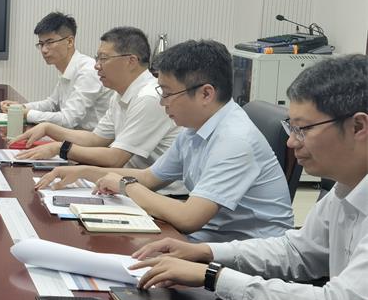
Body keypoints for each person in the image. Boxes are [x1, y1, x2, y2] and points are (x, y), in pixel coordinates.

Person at [131, 54, 367, 300]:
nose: (291, 142)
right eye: (290, 128)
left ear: (358, 127)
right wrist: (207, 254)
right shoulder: (346, 187)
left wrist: (213, 276)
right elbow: (297, 253)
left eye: (303, 129)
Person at [37, 40, 294, 242]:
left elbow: (189, 218)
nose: (162, 102)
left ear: (206, 94)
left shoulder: (234, 140)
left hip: (245, 251)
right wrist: (83, 172)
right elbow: (149, 177)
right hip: (210, 237)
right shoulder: (195, 127)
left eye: (168, 93)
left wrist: (125, 185)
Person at [16, 27, 182, 189]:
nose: (96, 66)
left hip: (160, 193)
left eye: (103, 58)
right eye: (97, 58)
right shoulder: (120, 94)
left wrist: (61, 148)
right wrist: (48, 128)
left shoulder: (148, 97)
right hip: (126, 183)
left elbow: (115, 158)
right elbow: (95, 139)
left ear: (131, 61)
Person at [0, 11, 111, 130]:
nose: (44, 50)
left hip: (92, 139)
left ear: (70, 42)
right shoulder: (69, 68)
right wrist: (21, 107)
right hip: (73, 135)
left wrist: (27, 114)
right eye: (41, 44)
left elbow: (68, 119)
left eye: (50, 42)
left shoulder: (88, 71)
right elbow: (52, 104)